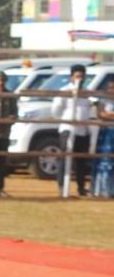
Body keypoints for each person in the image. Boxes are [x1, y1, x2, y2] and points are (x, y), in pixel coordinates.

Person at [52, 64, 92, 196]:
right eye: (77, 76)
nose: (79, 79)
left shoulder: (86, 92)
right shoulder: (64, 91)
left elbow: (88, 109)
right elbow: (56, 111)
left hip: (83, 130)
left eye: (82, 76)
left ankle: (81, 187)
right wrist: (67, 119)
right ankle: (62, 187)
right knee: (65, 158)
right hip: (68, 129)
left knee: (81, 160)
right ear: (71, 77)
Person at [92, 77, 114, 197]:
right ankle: (103, 189)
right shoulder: (103, 99)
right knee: (105, 160)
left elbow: (106, 114)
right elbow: (101, 114)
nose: (111, 90)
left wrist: (109, 114)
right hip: (107, 133)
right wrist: (108, 115)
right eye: (110, 87)